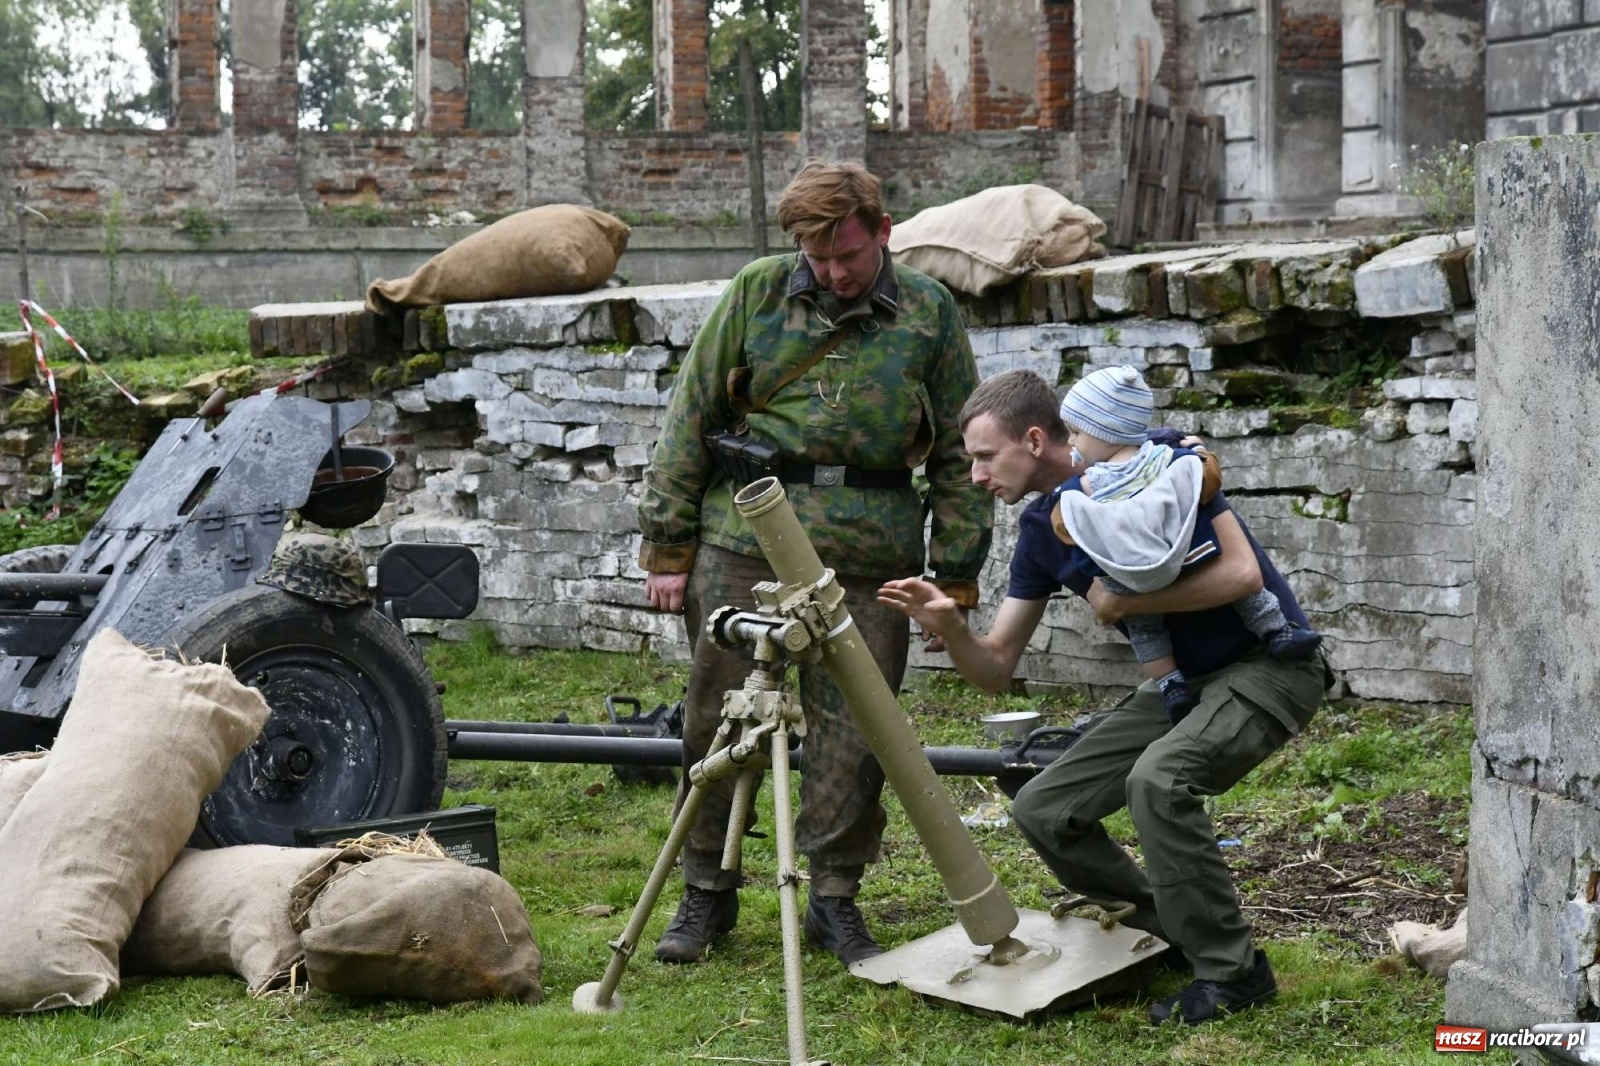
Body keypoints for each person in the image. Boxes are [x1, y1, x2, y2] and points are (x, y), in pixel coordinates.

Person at [877, 368, 1331, 1026]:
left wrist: (1128, 602)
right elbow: (997, 666)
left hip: (1271, 664)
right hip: (1184, 685)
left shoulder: (1156, 467)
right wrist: (953, 627)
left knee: (1159, 781)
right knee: (1043, 808)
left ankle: (1232, 975)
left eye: (983, 457)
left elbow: (1242, 575)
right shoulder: (1041, 530)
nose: (976, 477)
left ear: (1034, 440)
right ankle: (1172, 928)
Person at [636, 161, 992, 967]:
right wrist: (668, 545)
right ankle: (704, 889)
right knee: (718, 716)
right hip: (746, 540)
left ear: (884, 233)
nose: (832, 273)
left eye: (849, 256)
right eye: (817, 256)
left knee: (859, 727)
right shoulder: (759, 293)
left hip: (874, 555)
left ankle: (835, 897)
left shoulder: (930, 314)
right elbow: (690, 416)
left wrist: (956, 574)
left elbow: (960, 458)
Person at [1051, 365, 1322, 721]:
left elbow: (1065, 524)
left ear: (1105, 432)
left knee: (1145, 626)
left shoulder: (1085, 486)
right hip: (1185, 556)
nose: (1070, 442)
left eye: (1075, 432)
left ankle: (1170, 685)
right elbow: (1206, 479)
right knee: (1244, 593)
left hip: (1129, 575)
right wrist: (1202, 454)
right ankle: (1277, 630)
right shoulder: (1165, 458)